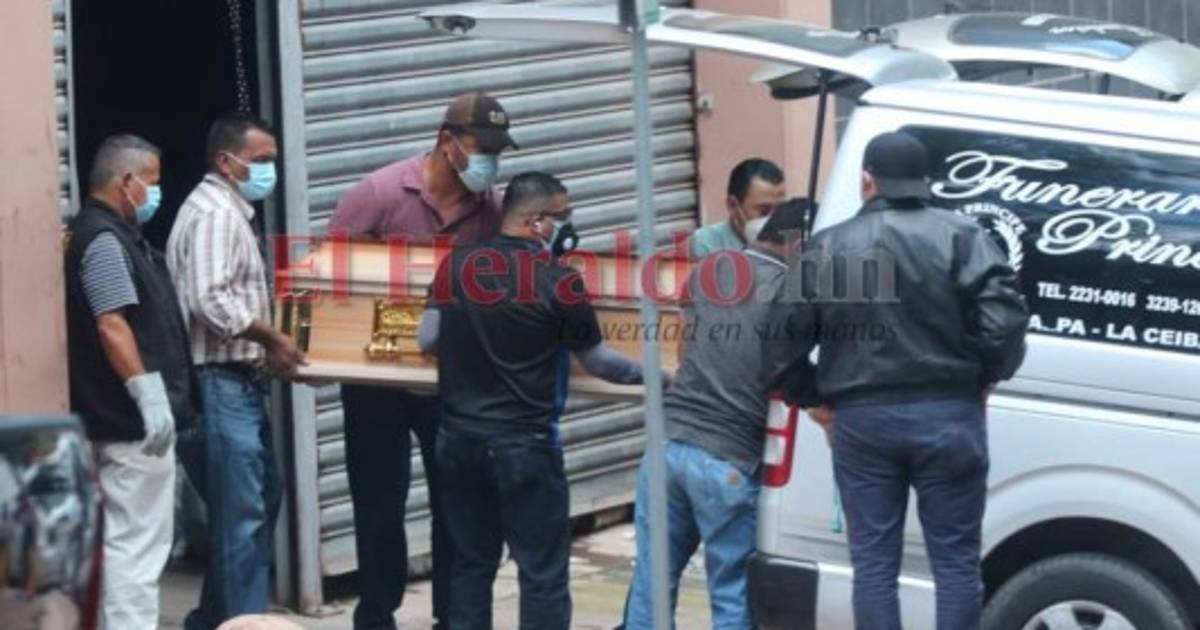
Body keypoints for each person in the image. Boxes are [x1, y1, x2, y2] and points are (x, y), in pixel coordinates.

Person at [788, 132, 1029, 630]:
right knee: (956, 564)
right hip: (949, 415)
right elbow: (1004, 323)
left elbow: (779, 346)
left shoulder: (827, 248)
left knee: (873, 566)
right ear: (924, 182)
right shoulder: (963, 237)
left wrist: (817, 401)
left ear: (866, 181)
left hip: (862, 422)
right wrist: (984, 378)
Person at [325, 91, 517, 629]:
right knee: (378, 506)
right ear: (447, 142)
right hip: (376, 383)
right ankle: (376, 614)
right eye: (483, 149)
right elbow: (328, 276)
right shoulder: (380, 194)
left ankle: (451, 617)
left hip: (451, 384)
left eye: (498, 152)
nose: (490, 162)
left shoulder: (492, 210)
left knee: (456, 504)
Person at [418, 172, 643, 630]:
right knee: (541, 573)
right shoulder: (559, 282)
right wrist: (657, 377)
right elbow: (599, 362)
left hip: (459, 440)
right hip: (525, 446)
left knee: (470, 563)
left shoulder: (455, 265)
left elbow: (429, 338)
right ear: (537, 221)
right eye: (564, 216)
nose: (569, 226)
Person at [622, 200, 809, 629]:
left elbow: (685, 347)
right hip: (729, 459)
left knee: (652, 582)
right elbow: (785, 375)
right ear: (799, 245)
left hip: (667, 447)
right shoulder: (788, 293)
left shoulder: (711, 267)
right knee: (732, 592)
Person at [167, 113, 306, 630]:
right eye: (261, 160)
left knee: (257, 499)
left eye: (273, 159)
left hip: (238, 384)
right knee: (243, 514)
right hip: (219, 382)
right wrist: (271, 338)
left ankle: (212, 620)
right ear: (226, 162)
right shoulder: (216, 216)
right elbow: (210, 300)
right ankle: (242, 621)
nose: (270, 170)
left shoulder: (226, 210)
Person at [64, 134, 198, 630]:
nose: (156, 193)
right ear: (126, 182)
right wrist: (149, 395)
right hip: (128, 424)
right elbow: (111, 323)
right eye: (153, 182)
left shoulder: (106, 236)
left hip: (110, 419)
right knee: (137, 551)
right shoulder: (103, 241)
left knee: (118, 545)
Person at [689, 158, 786, 258]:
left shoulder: (789, 242)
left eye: (780, 209)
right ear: (733, 205)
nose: (774, 219)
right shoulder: (706, 244)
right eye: (764, 211)